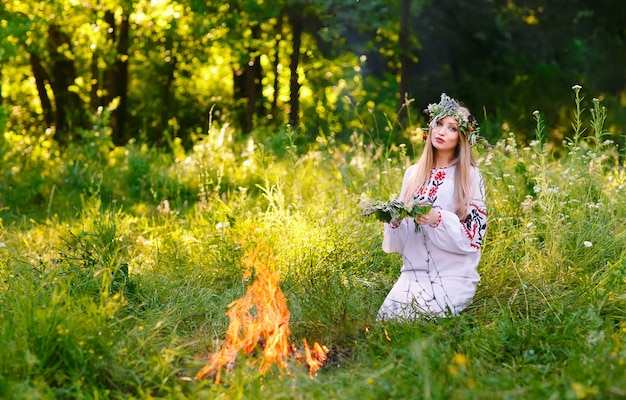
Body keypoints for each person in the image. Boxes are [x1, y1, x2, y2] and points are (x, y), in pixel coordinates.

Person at [377, 93, 487, 321]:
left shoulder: (470, 176)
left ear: (462, 137)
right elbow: (402, 240)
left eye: (452, 128)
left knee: (422, 322)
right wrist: (396, 222)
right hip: (411, 276)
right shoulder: (413, 174)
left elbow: (474, 238)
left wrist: (438, 219)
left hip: (453, 276)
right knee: (388, 322)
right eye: (438, 124)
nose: (442, 131)